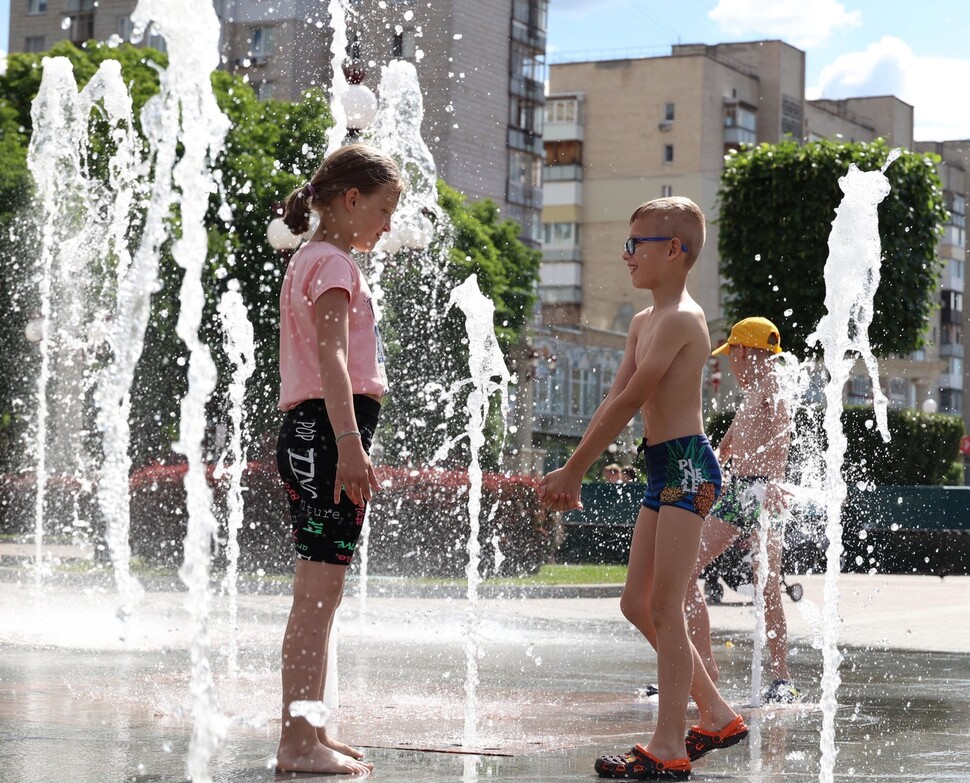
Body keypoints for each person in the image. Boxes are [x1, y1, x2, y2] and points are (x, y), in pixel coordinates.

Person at [539, 197, 747, 780]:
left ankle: (669, 747)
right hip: (662, 470)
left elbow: (633, 400)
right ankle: (717, 713)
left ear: (674, 250)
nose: (626, 255)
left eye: (637, 244)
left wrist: (576, 468)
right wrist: (576, 461)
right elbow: (616, 396)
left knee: (664, 603)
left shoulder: (684, 318)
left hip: (686, 468)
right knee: (637, 602)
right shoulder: (641, 322)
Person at [274, 143, 404, 774]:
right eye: (384, 209)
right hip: (328, 437)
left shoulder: (311, 258)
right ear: (351, 199)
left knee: (316, 597)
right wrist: (350, 445)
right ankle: (297, 744)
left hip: (315, 433)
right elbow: (333, 359)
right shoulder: (334, 266)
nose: (387, 224)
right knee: (317, 599)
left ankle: (309, 731)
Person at [685, 317, 800, 704]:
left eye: (732, 353)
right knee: (687, 569)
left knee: (767, 585)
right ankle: (700, 668)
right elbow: (727, 448)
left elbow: (783, 428)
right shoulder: (752, 393)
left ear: (745, 351)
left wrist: (773, 482)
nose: (731, 363)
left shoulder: (772, 384)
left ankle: (781, 678)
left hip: (765, 493)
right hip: (742, 493)